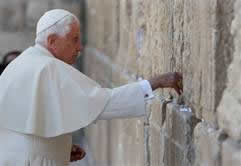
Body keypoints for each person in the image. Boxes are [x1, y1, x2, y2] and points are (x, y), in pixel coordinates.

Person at [0, 9, 182, 166]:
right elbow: (103, 103)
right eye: (74, 39)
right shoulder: (48, 67)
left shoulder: (23, 62)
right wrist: (154, 83)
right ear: (52, 41)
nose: (80, 47)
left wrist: (59, 147)